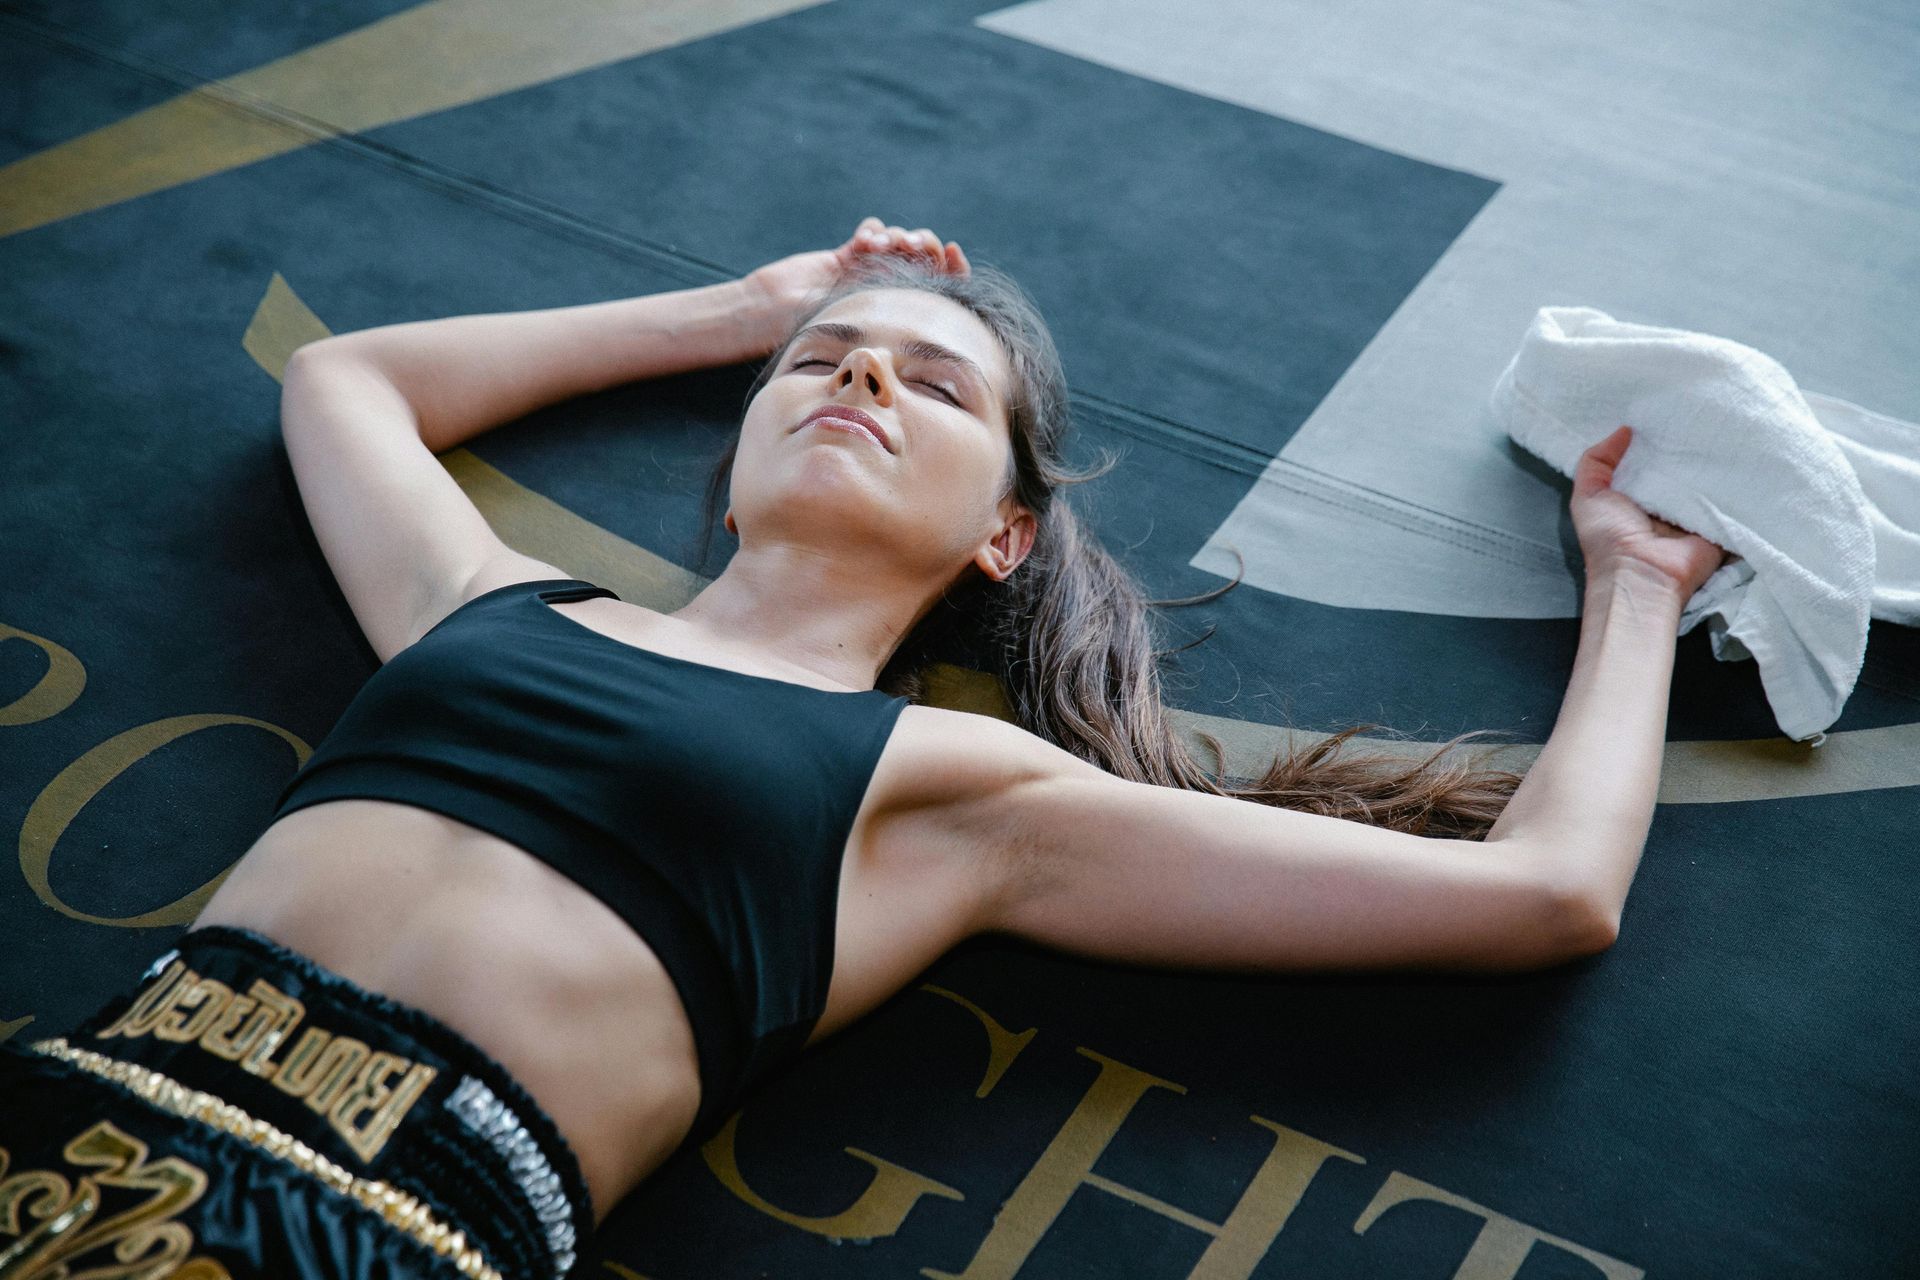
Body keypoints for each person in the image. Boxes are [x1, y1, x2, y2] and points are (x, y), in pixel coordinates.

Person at [0, 217, 1726, 1279]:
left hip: (384, 1227)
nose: (863, 382)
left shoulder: (959, 798)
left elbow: (1547, 893)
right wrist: (747, 305)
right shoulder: (492, 606)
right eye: (825, 365)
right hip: (68, 1114)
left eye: (936, 386)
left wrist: (1631, 585)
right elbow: (346, 385)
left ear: (1005, 538)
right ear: (747, 433)